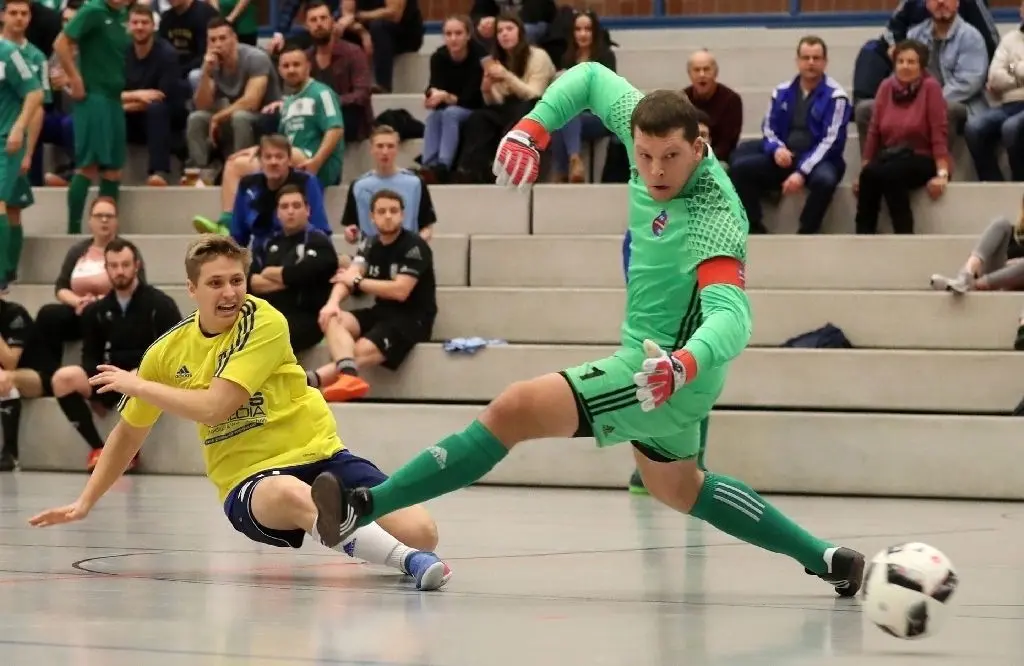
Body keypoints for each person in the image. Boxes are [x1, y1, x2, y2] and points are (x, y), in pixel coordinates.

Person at [308, 62, 867, 598]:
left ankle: (364, 506)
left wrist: (680, 366)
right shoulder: (644, 126)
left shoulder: (713, 214)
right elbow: (591, 77)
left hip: (662, 370)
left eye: (671, 157)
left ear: (700, 147)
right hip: (670, 369)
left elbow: (732, 316)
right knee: (678, 486)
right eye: (644, 156)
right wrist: (532, 129)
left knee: (513, 409)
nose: (656, 171)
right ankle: (827, 558)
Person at [28, 235, 452, 592]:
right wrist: (86, 501)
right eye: (215, 283)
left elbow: (216, 407)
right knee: (291, 493)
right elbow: (129, 433)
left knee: (422, 530)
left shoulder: (263, 321)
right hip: (251, 479)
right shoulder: (167, 352)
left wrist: (138, 384)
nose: (230, 292)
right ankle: (408, 561)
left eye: (236, 280)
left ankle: (367, 532)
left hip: (322, 456)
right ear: (192, 289)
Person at [53, 0, 132, 234]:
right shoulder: (93, 10)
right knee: (89, 165)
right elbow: (61, 43)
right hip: (94, 97)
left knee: (113, 169)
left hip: (114, 98)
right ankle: (73, 231)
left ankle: (107, 232)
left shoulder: (122, 15)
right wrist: (74, 77)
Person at [1, 0, 48, 284]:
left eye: (24, 13)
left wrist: (27, 149)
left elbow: (37, 100)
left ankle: (6, 272)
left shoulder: (28, 56)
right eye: (13, 13)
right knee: (9, 206)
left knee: (8, 206)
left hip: (9, 141)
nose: (19, 18)